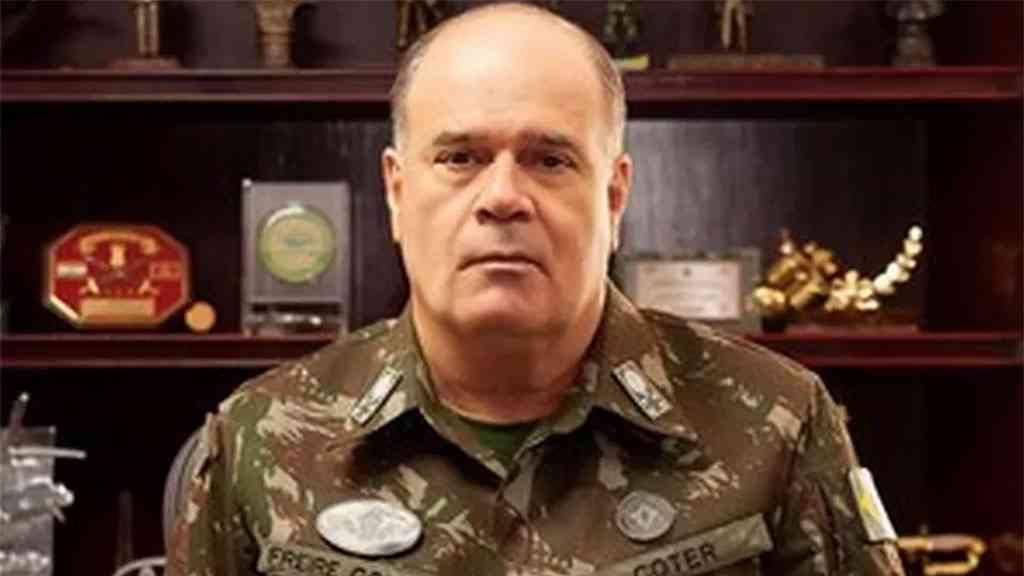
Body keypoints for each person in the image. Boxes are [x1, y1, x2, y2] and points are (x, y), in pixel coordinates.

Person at [169, 3, 905, 575]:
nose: (502, 198)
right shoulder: (262, 436)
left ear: (614, 196)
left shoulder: (775, 422)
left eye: (550, 160)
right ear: (396, 192)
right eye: (459, 158)